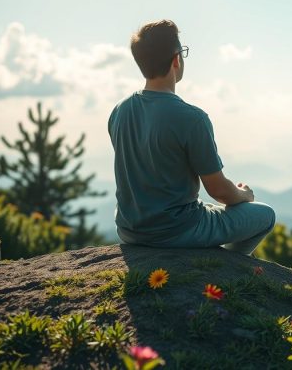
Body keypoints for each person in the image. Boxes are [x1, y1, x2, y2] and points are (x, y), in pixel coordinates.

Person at [108, 19, 275, 256]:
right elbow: (219, 191)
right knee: (266, 215)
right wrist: (244, 194)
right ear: (176, 59)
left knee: (208, 209)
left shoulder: (119, 111)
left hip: (129, 230)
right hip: (177, 230)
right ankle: (228, 265)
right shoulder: (192, 118)